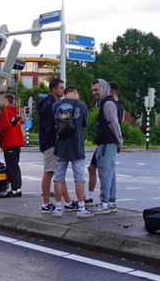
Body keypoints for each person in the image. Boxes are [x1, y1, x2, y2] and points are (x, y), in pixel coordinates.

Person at [51, 87, 93, 218]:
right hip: (77, 146)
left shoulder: (55, 105)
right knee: (79, 178)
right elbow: (85, 124)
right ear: (75, 91)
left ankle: (58, 208)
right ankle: (81, 208)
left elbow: (55, 125)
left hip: (61, 146)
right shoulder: (81, 105)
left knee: (58, 178)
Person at [86, 81, 125, 207]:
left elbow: (113, 123)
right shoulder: (110, 103)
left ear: (104, 89)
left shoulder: (108, 104)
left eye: (96, 90)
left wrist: (120, 142)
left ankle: (105, 203)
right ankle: (110, 202)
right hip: (108, 142)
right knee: (110, 172)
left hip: (107, 142)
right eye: (93, 90)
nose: (94, 93)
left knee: (105, 173)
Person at [38, 78, 73, 213]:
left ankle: (68, 201)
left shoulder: (51, 103)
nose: (63, 90)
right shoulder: (50, 105)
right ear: (54, 90)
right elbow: (50, 125)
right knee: (49, 172)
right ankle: (46, 203)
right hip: (50, 143)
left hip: (51, 142)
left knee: (59, 172)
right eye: (61, 88)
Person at [0, 94, 24, 198]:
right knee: (15, 166)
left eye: (3, 99)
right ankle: (18, 189)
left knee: (11, 167)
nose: (1, 101)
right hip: (17, 142)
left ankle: (14, 190)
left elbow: (2, 129)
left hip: (9, 143)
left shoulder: (5, 113)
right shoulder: (15, 112)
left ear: (6, 100)